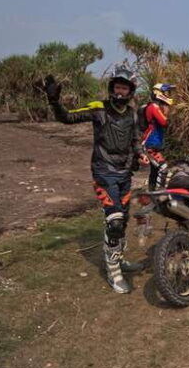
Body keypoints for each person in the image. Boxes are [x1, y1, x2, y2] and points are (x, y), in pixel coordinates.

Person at [43, 66, 148, 293]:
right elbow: (67, 118)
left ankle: (118, 259)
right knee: (115, 221)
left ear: (130, 91)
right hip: (104, 171)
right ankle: (114, 272)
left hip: (125, 174)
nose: (120, 91)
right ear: (112, 88)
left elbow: (135, 139)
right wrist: (54, 100)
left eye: (124, 87)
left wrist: (140, 154)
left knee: (123, 221)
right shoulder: (98, 108)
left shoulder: (132, 113)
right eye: (117, 86)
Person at [141, 83, 175, 190]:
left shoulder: (155, 106)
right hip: (149, 145)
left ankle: (151, 194)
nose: (168, 95)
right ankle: (160, 195)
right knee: (163, 168)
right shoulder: (154, 107)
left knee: (154, 172)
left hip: (153, 144)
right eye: (166, 92)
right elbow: (165, 122)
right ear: (159, 93)